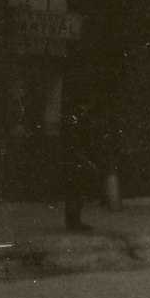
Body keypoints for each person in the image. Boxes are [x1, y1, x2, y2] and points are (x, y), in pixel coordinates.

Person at [59, 98, 98, 231]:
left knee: (74, 190)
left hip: (72, 157)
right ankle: (74, 221)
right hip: (77, 158)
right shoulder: (80, 117)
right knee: (76, 190)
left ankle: (72, 220)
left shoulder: (72, 116)